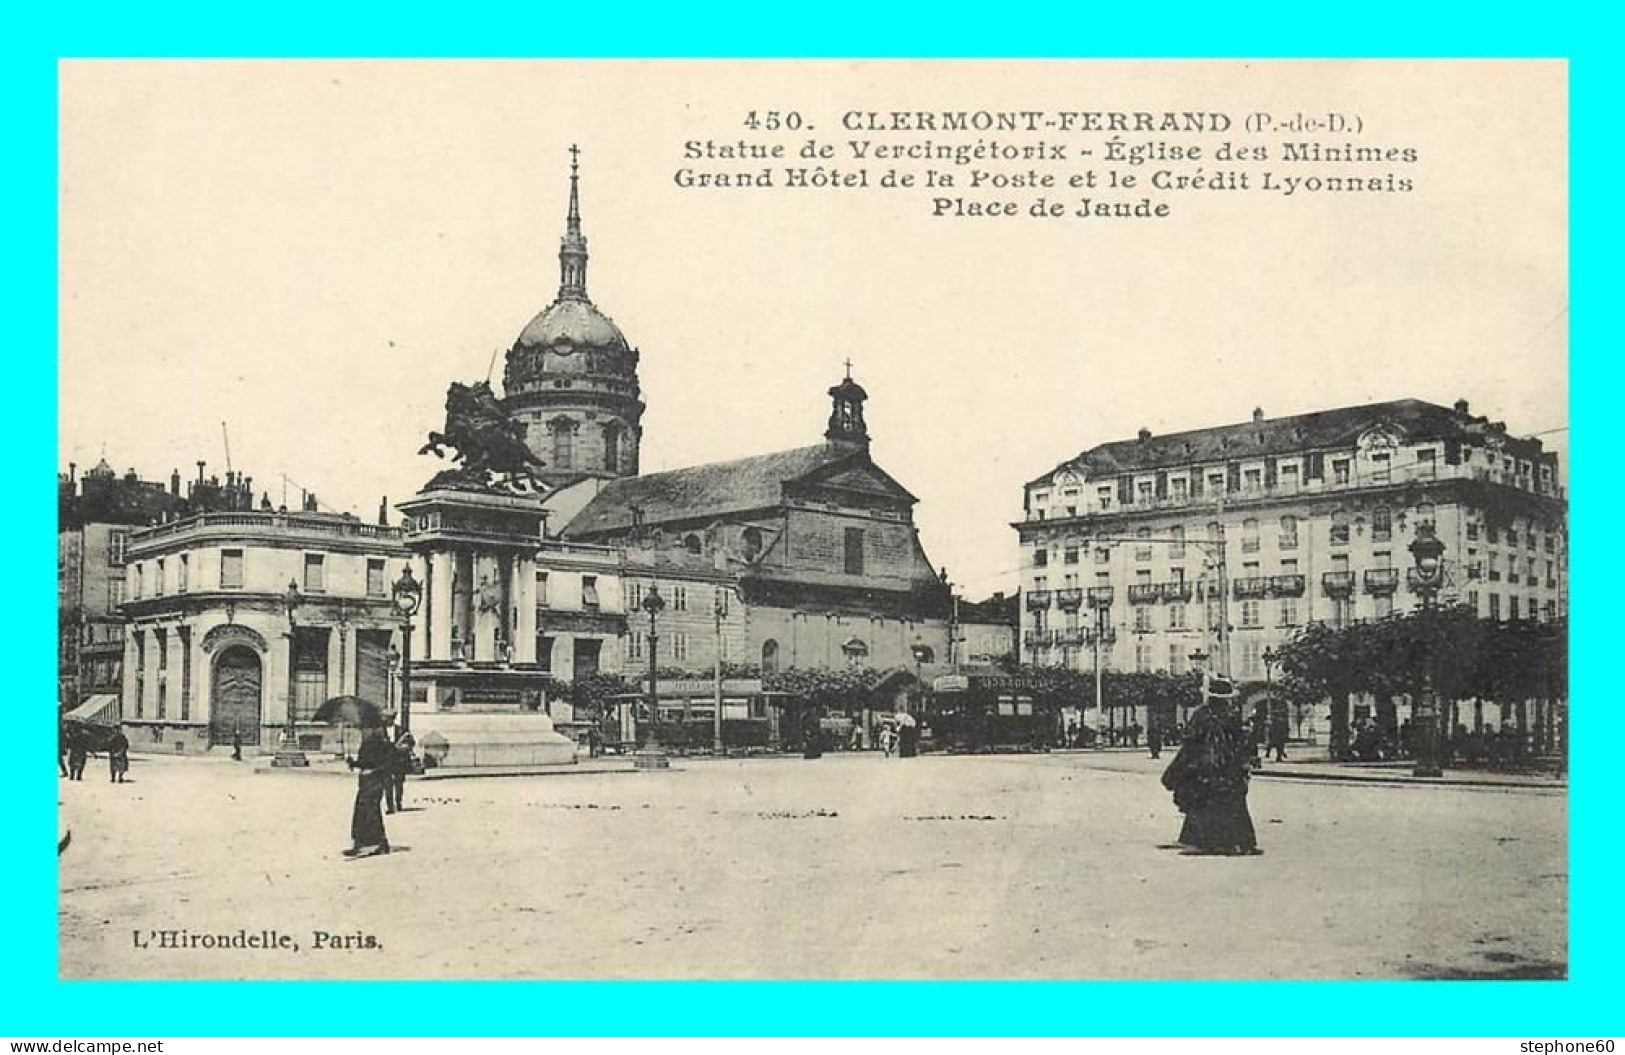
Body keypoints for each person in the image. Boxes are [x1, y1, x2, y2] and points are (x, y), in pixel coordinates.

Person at [1160, 676, 1261, 856]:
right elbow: (1241, 741)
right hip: (1228, 766)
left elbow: (1190, 742)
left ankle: (1207, 841)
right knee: (1233, 804)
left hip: (1206, 766)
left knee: (1205, 802)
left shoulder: (1202, 714)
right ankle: (1240, 841)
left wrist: (1181, 767)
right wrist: (1244, 762)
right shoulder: (1232, 714)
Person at [345, 724, 392, 857]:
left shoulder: (379, 744)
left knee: (371, 811)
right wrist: (353, 763)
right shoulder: (368, 743)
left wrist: (372, 770)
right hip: (366, 781)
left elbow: (384, 763)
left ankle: (376, 842)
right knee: (363, 811)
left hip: (374, 781)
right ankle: (363, 842)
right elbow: (363, 762)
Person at [389, 728, 416, 813]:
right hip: (389, 762)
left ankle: (398, 803)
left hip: (400, 763)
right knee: (388, 786)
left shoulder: (402, 731)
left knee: (399, 785)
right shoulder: (383, 731)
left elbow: (411, 743)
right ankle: (390, 806)